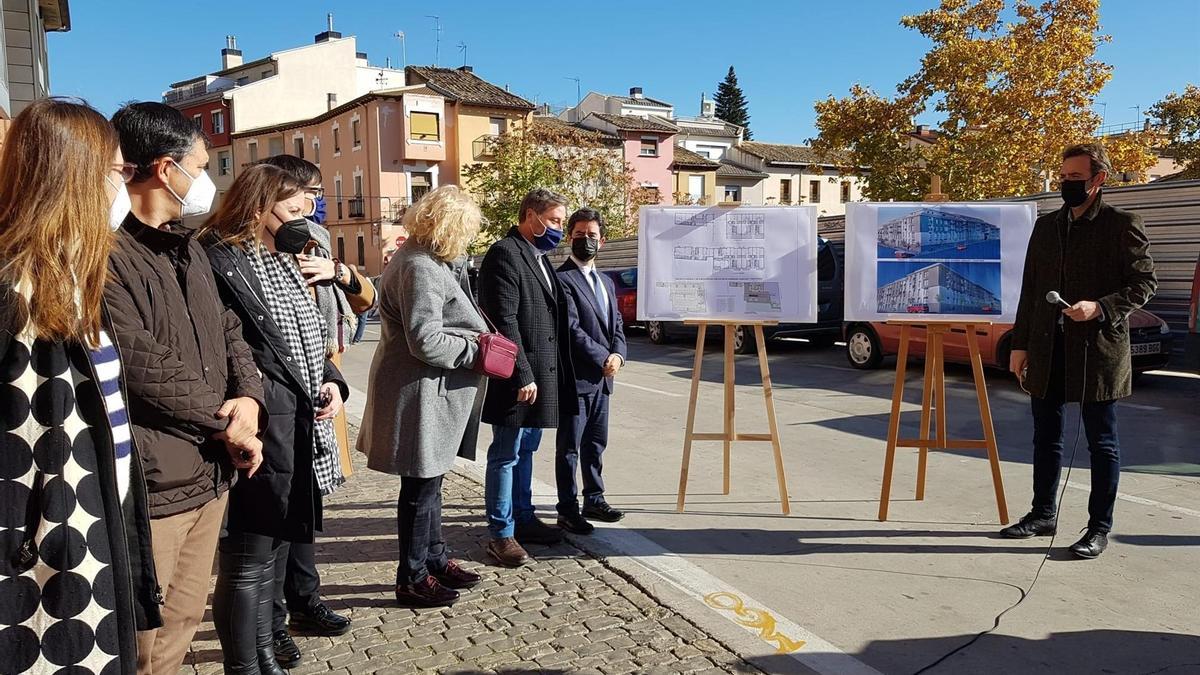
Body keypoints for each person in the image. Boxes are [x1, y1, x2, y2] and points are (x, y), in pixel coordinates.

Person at [0, 97, 162, 675]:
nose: (124, 185)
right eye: (118, 171)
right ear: (73, 174)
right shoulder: (11, 288)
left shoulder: (72, 279)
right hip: (41, 555)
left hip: (94, 525)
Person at [106, 101, 265, 675]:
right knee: (145, 642)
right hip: (156, 480)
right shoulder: (108, 254)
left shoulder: (190, 245)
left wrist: (248, 399)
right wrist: (227, 422)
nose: (207, 181)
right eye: (200, 166)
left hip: (210, 471)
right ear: (165, 169)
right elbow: (138, 364)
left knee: (180, 629)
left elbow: (228, 329)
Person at [200, 164, 349, 674]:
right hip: (261, 423)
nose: (301, 218)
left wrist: (332, 381)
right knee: (248, 558)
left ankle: (266, 652)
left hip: (298, 419)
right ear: (258, 206)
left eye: (306, 207)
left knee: (274, 553)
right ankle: (249, 663)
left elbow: (307, 340)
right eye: (291, 208)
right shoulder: (223, 258)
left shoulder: (284, 260)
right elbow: (241, 348)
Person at [1003, 142, 1157, 558]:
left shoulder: (1121, 224)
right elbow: (1031, 291)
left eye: (1075, 178)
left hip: (1097, 351)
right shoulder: (1047, 226)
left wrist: (1101, 307)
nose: (1066, 184)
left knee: (1101, 443)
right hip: (1047, 348)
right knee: (1045, 437)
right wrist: (1020, 345)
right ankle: (1041, 514)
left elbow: (1144, 284)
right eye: (1063, 177)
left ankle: (1098, 528)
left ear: (1098, 179)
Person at [255, 155, 372, 667]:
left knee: (310, 502)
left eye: (316, 193)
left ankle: (305, 599)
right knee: (283, 510)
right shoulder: (248, 252)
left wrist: (338, 272)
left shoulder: (316, 238)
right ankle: (278, 615)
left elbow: (366, 301)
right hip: (286, 388)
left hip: (324, 373)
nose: (311, 202)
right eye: (304, 192)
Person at [359, 186, 488, 607]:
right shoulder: (422, 267)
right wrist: (477, 351)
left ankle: (434, 558)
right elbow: (426, 340)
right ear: (450, 227)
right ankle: (412, 576)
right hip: (420, 393)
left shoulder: (426, 260)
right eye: (465, 231)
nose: (467, 241)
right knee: (420, 487)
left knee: (431, 481)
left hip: (428, 392)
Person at [478, 188, 577, 567]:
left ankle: (524, 517)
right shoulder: (506, 253)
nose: (557, 229)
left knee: (527, 450)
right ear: (530, 216)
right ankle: (500, 533)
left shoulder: (539, 258)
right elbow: (503, 319)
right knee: (505, 453)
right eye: (553, 221)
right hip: (519, 378)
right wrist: (522, 373)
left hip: (541, 377)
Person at [554, 208, 628, 534]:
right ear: (570, 237)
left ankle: (594, 498)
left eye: (592, 235)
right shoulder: (562, 280)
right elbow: (570, 329)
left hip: (603, 380)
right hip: (576, 378)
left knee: (596, 444)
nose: (586, 240)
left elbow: (618, 327)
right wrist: (603, 357)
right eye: (580, 234)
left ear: (603, 240)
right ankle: (567, 509)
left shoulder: (607, 282)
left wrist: (619, 356)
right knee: (569, 447)